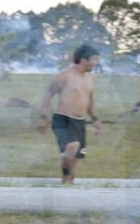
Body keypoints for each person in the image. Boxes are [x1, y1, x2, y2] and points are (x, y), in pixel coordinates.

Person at [37, 44, 103, 184]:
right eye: (94, 59)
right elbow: (48, 96)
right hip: (63, 119)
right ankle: (66, 180)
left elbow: (89, 102)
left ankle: (68, 182)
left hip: (79, 121)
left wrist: (96, 119)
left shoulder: (90, 78)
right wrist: (43, 117)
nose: (97, 63)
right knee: (71, 149)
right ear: (84, 60)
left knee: (74, 157)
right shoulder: (65, 77)